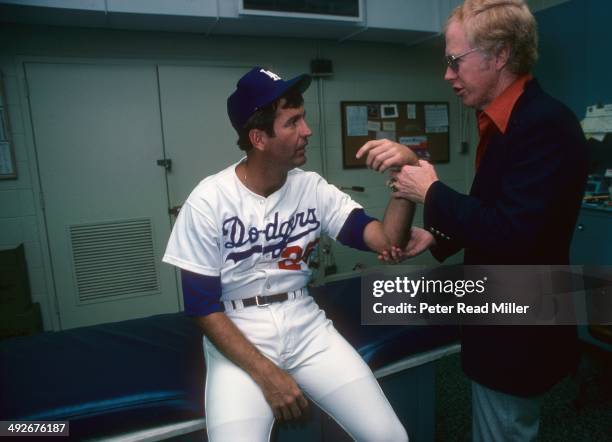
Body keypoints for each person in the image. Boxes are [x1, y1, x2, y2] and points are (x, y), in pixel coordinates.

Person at [361, 0, 587, 440]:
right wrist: (436, 236)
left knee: (502, 430)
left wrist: (431, 190)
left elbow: (515, 235)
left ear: (499, 55)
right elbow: (499, 211)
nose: (448, 75)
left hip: (519, 328)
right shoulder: (507, 121)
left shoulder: (543, 124)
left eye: (454, 61)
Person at [162, 66, 417, 441]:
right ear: (259, 138)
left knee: (389, 437)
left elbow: (387, 239)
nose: (307, 131)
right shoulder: (208, 200)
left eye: (304, 118)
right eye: (292, 122)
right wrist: (268, 375)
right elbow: (201, 306)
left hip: (306, 326)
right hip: (238, 332)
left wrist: (405, 173)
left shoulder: (312, 188)